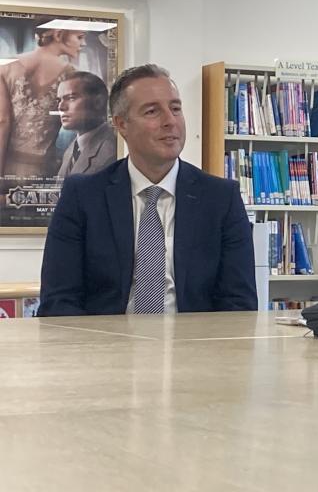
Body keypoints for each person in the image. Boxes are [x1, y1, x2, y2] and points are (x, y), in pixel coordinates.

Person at [38, 64, 257, 316]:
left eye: (175, 108)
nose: (170, 121)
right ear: (122, 125)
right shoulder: (83, 196)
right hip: (105, 348)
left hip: (194, 348)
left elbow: (240, 305)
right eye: (153, 111)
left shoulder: (221, 198)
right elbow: (58, 299)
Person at [0, 23, 83, 178]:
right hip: (45, 170)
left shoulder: (6, 67)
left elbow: (2, 122)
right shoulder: (72, 75)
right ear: (58, 34)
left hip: (7, 169)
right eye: (79, 37)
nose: (83, 43)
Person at [56, 71, 117, 177]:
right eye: (59, 100)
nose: (61, 107)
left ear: (98, 102)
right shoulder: (71, 150)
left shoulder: (111, 151)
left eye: (71, 98)